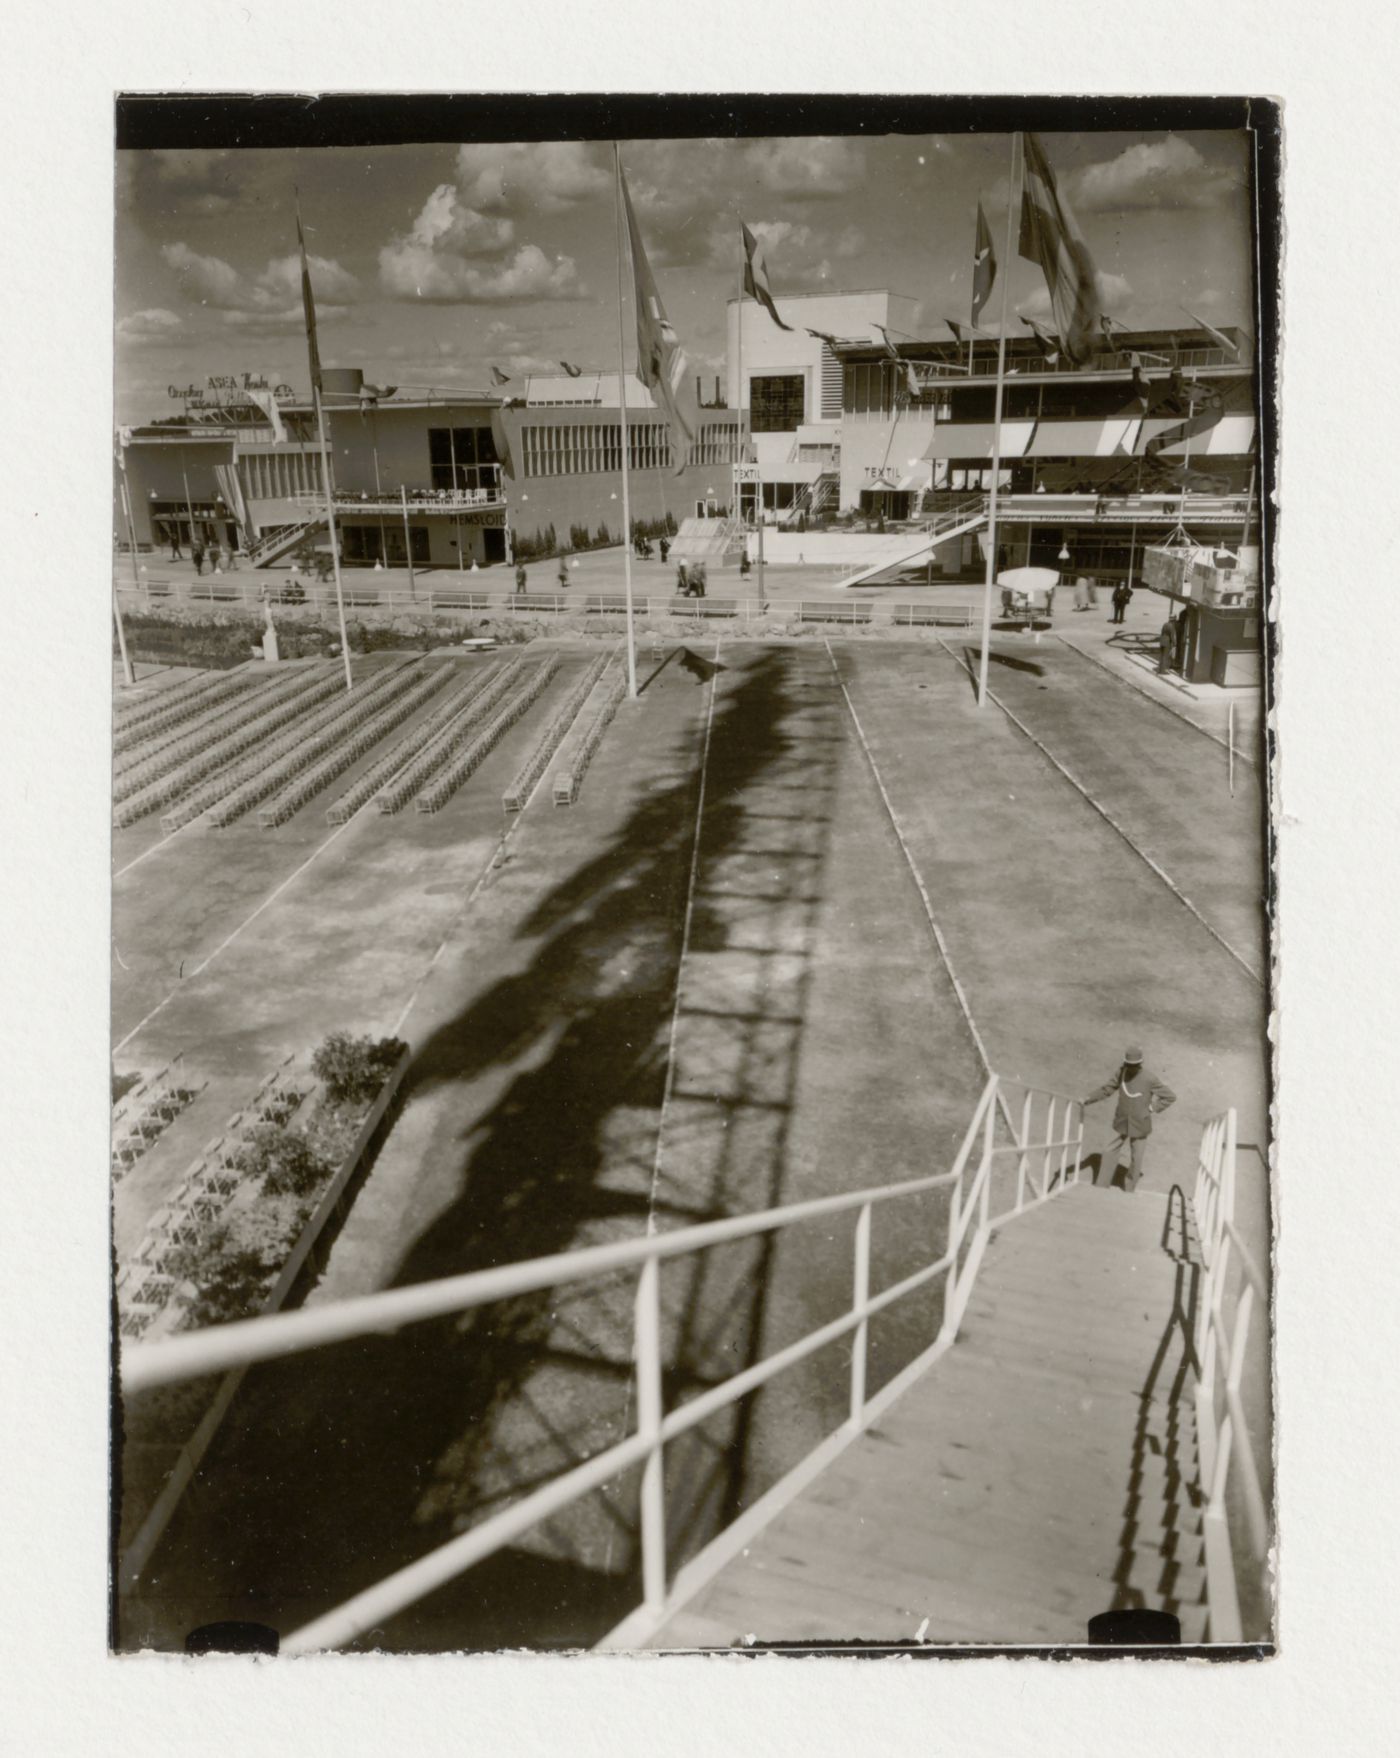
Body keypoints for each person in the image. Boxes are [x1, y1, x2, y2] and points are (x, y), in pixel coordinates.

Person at [1082, 1045, 1176, 1193]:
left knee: (1136, 1159)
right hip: (1122, 1121)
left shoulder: (1149, 1078)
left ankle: (1129, 1189)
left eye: (1134, 1065)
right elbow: (1107, 1089)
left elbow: (1170, 1096)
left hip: (1140, 1124)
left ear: (1140, 1064)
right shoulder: (1121, 1073)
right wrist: (1088, 1098)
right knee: (1108, 1151)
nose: (1130, 1068)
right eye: (1128, 1064)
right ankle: (1101, 1186)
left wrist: (1152, 1108)